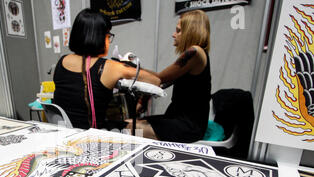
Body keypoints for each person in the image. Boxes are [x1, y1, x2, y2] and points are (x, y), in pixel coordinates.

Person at [52, 8, 160, 130]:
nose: (109, 40)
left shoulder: (62, 61)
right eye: (108, 36)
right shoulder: (108, 66)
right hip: (93, 136)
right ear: (98, 37)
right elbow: (155, 80)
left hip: (64, 133)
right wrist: (127, 66)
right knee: (144, 127)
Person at [126, 10, 211, 143]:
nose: (173, 34)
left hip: (188, 126)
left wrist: (128, 68)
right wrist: (143, 99)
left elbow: (160, 77)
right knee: (127, 123)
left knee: (129, 128)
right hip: (176, 118)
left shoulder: (195, 52)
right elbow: (162, 83)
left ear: (190, 31)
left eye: (178, 31)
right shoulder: (195, 55)